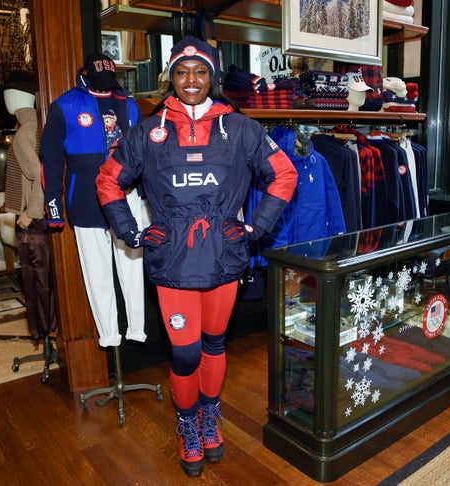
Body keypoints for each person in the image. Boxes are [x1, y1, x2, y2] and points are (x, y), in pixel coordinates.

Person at [95, 36, 298, 478]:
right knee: (185, 357)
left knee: (215, 345)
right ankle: (187, 423)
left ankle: (209, 415)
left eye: (201, 71)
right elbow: (109, 180)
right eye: (183, 71)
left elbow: (284, 174)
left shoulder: (241, 128)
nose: (192, 80)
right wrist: (129, 231)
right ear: (172, 75)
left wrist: (255, 226)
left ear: (213, 78)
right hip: (173, 264)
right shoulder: (147, 132)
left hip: (224, 258)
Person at [40, 53, 147, 349]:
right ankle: (109, 334)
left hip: (126, 196)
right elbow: (50, 160)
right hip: (85, 199)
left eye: (109, 83)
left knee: (132, 266)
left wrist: (148, 195)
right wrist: (53, 207)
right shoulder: (64, 106)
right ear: (85, 75)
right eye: (99, 83)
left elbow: (144, 155)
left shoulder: (128, 105)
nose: (105, 88)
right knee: (97, 271)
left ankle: (136, 328)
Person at [2, 70, 57, 345]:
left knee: (36, 282)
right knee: (44, 280)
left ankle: (44, 334)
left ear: (14, 98)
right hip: (43, 217)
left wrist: (30, 213)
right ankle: (48, 333)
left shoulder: (24, 132)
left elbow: (40, 173)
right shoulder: (39, 125)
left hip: (33, 220)